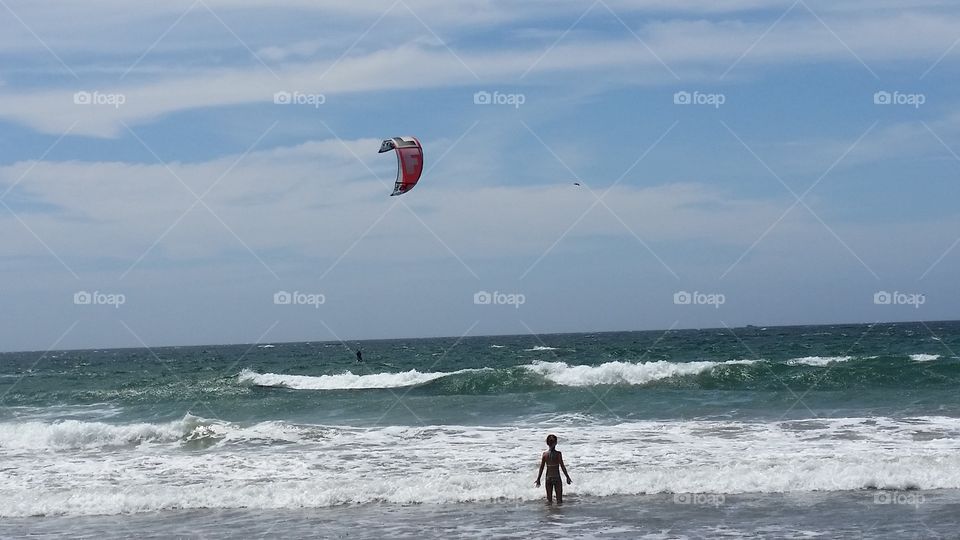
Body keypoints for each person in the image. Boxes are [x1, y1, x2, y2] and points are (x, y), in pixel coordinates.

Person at [534, 434, 572, 503]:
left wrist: (538, 479)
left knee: (549, 500)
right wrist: (567, 477)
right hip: (557, 478)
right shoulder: (558, 454)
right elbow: (562, 466)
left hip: (548, 478)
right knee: (559, 500)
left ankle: (550, 513)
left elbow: (541, 467)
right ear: (556, 443)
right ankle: (558, 513)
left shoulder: (545, 454)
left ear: (547, 443)